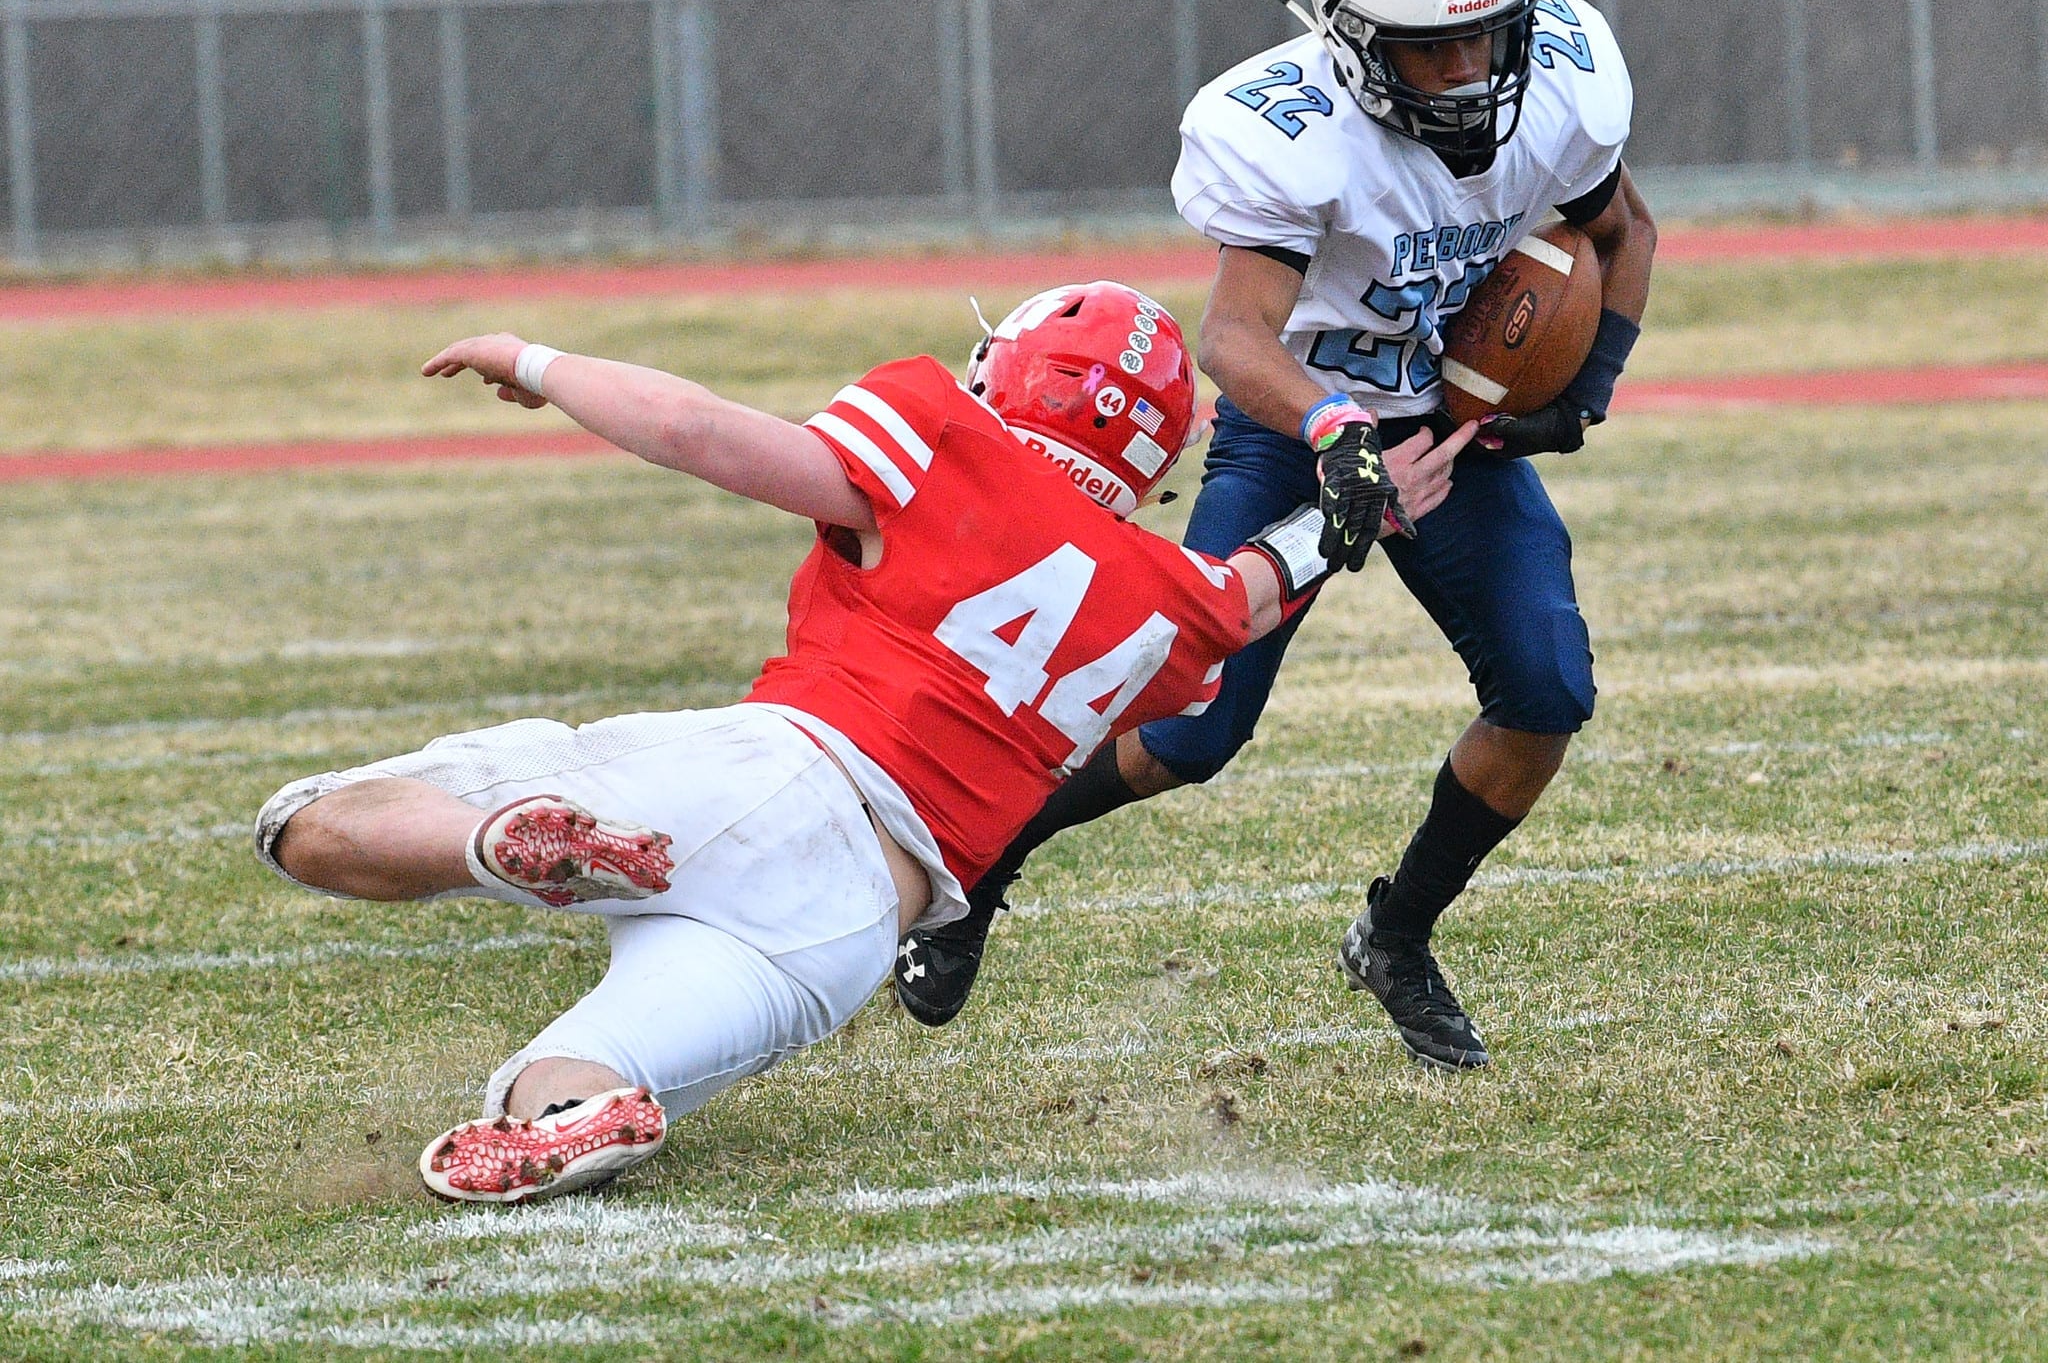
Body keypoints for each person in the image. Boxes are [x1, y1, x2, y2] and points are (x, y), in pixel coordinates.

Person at [254, 281, 1470, 1203]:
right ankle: (566, 1111)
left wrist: (538, 359)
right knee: (575, 1076)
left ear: (1017, 376)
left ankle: (487, 840)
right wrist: (1351, 510)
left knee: (308, 823)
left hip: (770, 770)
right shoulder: (1167, 596)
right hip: (849, 923)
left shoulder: (940, 430)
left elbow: (698, 430)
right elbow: (1256, 584)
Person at [893, 0, 1657, 1071]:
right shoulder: (1286, 131)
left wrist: (1588, 386)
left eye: (1481, 39)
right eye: (1427, 49)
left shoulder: (1560, 76)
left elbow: (1621, 232)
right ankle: (979, 867)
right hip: (1297, 418)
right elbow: (1234, 337)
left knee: (1545, 690)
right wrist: (1331, 434)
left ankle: (1394, 934)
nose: (1467, 74)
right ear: (1351, 38)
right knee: (1189, 724)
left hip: (1443, 426)